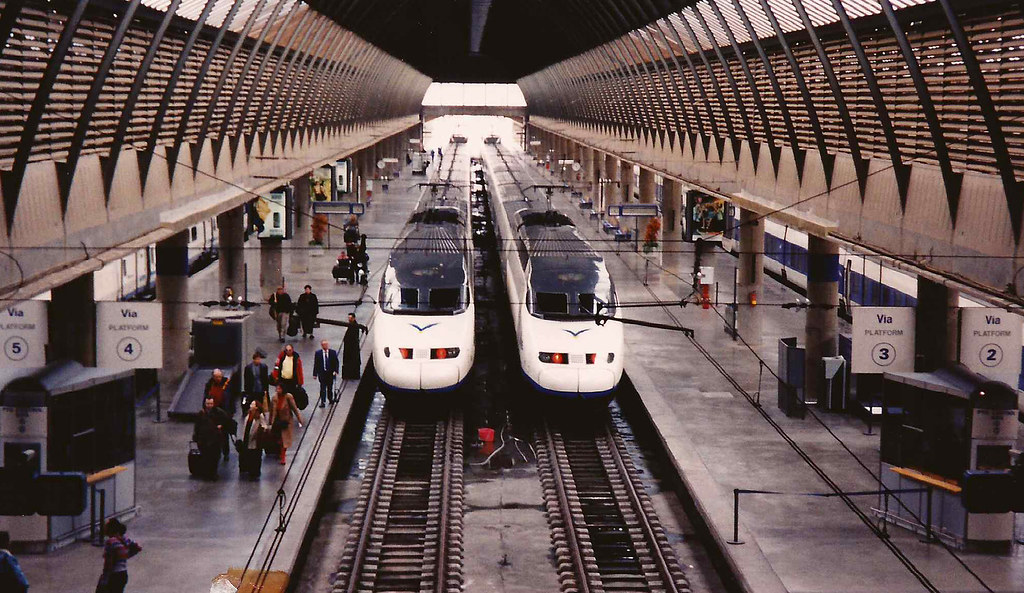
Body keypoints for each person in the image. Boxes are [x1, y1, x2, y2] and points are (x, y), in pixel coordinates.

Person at [95, 519, 140, 593]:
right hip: (123, 574)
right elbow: (137, 547)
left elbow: (109, 563)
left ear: (110, 529)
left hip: (113, 575)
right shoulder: (123, 539)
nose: (103, 528)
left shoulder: (110, 542)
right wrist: (124, 556)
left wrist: (104, 579)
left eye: (105, 526)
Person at [270, 385, 305, 465]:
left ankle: (283, 457)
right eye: (277, 388)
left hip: (286, 421)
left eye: (279, 388)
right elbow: (272, 411)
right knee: (278, 439)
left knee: (284, 440)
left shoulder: (288, 397)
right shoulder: (274, 398)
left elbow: (294, 408)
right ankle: (280, 453)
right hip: (277, 421)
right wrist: (270, 422)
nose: (277, 390)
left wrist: (299, 419)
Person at [194, 395, 232, 465]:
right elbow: (197, 426)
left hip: (215, 439)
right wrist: (196, 437)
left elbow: (227, 421)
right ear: (205, 404)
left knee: (214, 456)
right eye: (208, 404)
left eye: (211, 404)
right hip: (205, 438)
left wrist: (222, 426)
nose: (209, 406)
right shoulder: (201, 414)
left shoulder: (219, 413)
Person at [238, 400, 269, 479]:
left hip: (255, 439)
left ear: (256, 407)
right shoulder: (248, 414)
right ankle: (247, 468)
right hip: (247, 437)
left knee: (254, 455)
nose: (251, 405)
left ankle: (254, 472)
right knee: (248, 453)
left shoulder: (260, 416)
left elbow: (265, 426)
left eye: (252, 404)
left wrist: (261, 430)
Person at [341, 312, 368, 380]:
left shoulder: (354, 326)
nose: (349, 319)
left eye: (350, 318)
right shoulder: (353, 325)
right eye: (349, 318)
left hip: (352, 348)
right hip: (350, 347)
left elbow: (353, 337)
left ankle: (352, 375)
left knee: (351, 361)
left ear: (354, 318)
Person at [313, 340, 339, 407]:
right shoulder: (318, 353)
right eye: (324, 345)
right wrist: (315, 374)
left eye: (326, 344)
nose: (325, 346)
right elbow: (316, 364)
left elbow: (336, 362)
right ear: (322, 345)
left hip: (330, 373)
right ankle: (323, 401)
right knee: (322, 388)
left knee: (330, 387)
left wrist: (336, 371)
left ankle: (330, 399)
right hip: (322, 373)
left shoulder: (333, 352)